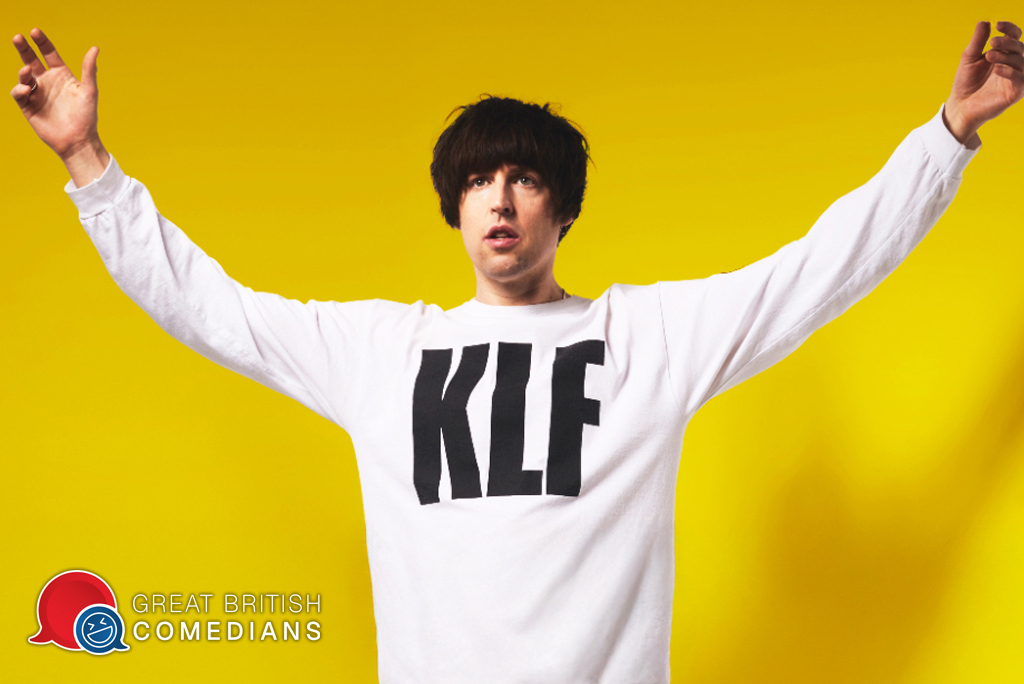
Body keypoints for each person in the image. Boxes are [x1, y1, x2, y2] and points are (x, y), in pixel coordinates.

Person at [11, 20, 1023, 683]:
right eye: (477, 183)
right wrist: (87, 161)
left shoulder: (647, 339)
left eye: (524, 180)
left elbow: (822, 267)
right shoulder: (383, 351)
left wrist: (948, 134)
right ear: (453, 209)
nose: (499, 200)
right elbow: (208, 307)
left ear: (563, 208)